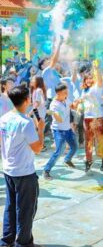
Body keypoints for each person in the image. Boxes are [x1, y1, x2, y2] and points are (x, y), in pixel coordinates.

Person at [0, 85, 44, 247]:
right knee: (25, 210)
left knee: (10, 207)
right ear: (27, 100)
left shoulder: (4, 118)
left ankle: (6, 240)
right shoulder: (25, 122)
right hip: (24, 172)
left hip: (9, 169)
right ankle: (24, 243)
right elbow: (38, 148)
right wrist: (40, 130)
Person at [43, 83, 79, 180]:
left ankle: (67, 160)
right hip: (58, 130)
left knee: (75, 147)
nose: (67, 94)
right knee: (59, 151)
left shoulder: (66, 99)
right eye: (65, 92)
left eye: (67, 92)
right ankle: (46, 170)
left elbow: (72, 106)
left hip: (67, 129)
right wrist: (54, 113)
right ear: (58, 93)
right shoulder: (54, 105)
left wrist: (77, 103)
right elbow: (59, 120)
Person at [79, 61, 103, 172]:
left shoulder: (97, 88)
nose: (89, 80)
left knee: (100, 140)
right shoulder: (83, 90)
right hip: (87, 118)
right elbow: (81, 103)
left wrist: (97, 69)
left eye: (91, 78)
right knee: (89, 141)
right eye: (87, 79)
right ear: (84, 80)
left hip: (98, 117)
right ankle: (89, 161)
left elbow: (100, 80)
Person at [30, 76, 47, 144]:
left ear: (38, 82)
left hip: (39, 113)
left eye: (33, 80)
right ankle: (40, 145)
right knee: (38, 130)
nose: (32, 80)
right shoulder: (35, 90)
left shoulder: (38, 90)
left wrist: (30, 112)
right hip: (37, 112)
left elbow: (37, 103)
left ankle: (42, 146)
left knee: (39, 130)